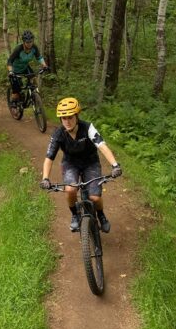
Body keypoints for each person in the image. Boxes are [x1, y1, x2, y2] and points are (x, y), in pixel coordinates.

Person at [39, 97, 122, 233]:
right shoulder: (58, 134)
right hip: (71, 164)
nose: (67, 121)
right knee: (70, 190)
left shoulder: (88, 128)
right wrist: (45, 178)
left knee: (94, 197)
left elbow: (102, 146)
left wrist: (115, 165)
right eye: (63, 118)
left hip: (91, 163)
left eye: (70, 117)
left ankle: (101, 215)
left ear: (77, 116)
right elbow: (49, 158)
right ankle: (75, 215)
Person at [7, 30, 48, 108]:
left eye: (31, 42)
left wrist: (44, 65)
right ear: (23, 42)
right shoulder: (18, 49)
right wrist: (10, 71)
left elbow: (39, 57)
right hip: (14, 70)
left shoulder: (34, 47)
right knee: (16, 89)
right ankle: (13, 101)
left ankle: (35, 96)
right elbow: (10, 61)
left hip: (25, 67)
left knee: (33, 78)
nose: (29, 44)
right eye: (27, 42)